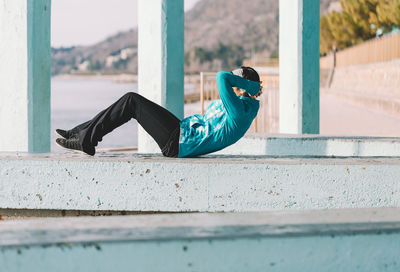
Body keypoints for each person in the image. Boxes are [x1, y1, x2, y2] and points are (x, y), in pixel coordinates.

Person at [55, 66, 263, 157]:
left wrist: (251, 87)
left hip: (179, 143)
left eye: (239, 77)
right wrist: (247, 86)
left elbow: (221, 77)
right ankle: (80, 132)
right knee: (130, 100)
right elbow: (225, 81)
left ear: (245, 85)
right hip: (181, 132)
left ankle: (86, 140)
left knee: (131, 101)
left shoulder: (240, 112)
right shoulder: (237, 106)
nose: (233, 78)